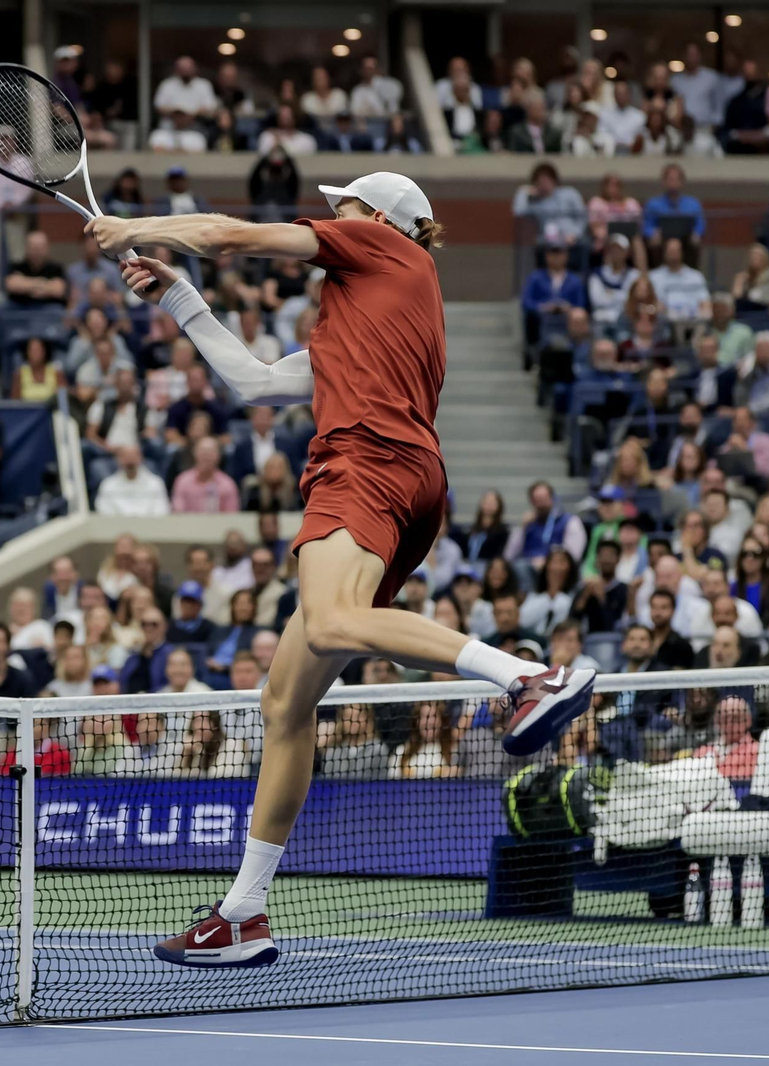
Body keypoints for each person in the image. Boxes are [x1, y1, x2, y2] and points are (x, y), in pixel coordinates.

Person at [95, 172, 595, 967]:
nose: (335, 216)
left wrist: (133, 228)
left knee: (330, 622)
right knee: (283, 701)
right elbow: (255, 383)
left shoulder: (382, 247)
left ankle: (529, 679)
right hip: (407, 483)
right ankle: (243, 914)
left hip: (363, 466)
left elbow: (229, 235)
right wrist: (179, 297)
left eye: (346, 206)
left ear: (381, 220)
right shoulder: (365, 321)